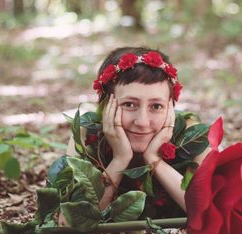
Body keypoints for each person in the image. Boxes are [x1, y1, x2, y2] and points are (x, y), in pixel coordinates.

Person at [66, 47, 211, 219]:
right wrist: (120, 159)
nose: (142, 121)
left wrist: (155, 161)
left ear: (170, 107)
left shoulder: (192, 136)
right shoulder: (86, 133)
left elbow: (209, 214)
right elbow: (71, 222)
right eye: (129, 104)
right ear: (105, 105)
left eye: (156, 106)